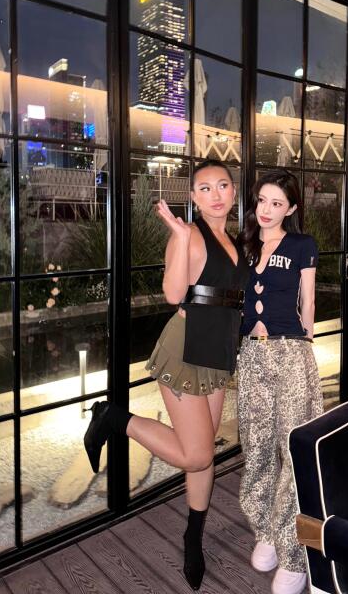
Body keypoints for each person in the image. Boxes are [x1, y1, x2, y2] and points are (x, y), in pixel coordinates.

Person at [83, 159, 248, 590]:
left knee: (204, 454)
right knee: (197, 455)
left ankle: (194, 536)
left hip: (217, 354)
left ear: (233, 192)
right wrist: (180, 236)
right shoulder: (188, 234)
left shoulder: (233, 240)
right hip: (186, 350)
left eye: (222, 185)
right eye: (205, 188)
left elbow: (234, 299)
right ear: (193, 197)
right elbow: (173, 294)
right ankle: (112, 418)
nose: (215, 194)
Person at [237, 170, 323, 594]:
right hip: (251, 356)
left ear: (291, 208)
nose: (266, 210)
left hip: (289, 352)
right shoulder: (246, 245)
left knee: (291, 449)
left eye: (276, 203)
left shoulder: (302, 245)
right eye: (262, 201)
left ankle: (293, 553)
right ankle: (267, 529)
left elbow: (309, 299)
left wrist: (305, 345)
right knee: (255, 447)